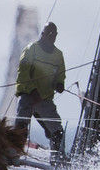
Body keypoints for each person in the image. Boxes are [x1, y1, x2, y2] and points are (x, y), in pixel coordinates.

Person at [14, 22, 67, 158]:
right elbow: (23, 74)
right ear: (42, 34)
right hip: (28, 96)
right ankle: (13, 155)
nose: (51, 36)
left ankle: (58, 160)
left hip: (44, 99)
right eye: (49, 33)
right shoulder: (31, 49)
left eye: (54, 34)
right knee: (21, 127)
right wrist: (32, 91)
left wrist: (60, 83)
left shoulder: (58, 55)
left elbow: (61, 74)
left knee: (57, 131)